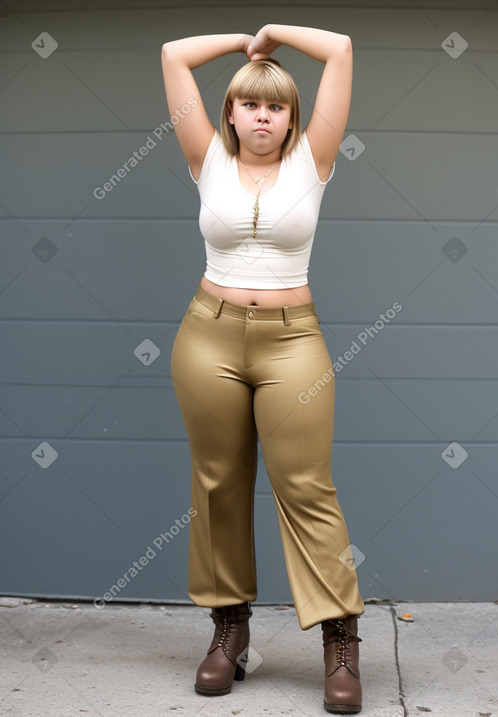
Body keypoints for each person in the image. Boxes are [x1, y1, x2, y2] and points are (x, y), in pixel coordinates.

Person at [161, 23, 365, 714]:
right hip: (206, 337)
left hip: (291, 340)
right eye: (249, 103)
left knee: (305, 483)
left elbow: (338, 49)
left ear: (292, 117)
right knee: (217, 483)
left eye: (275, 105)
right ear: (230, 113)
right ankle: (229, 630)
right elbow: (172, 56)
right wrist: (241, 45)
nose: (262, 116)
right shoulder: (205, 157)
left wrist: (275, 34)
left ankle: (340, 637)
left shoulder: (315, 160)